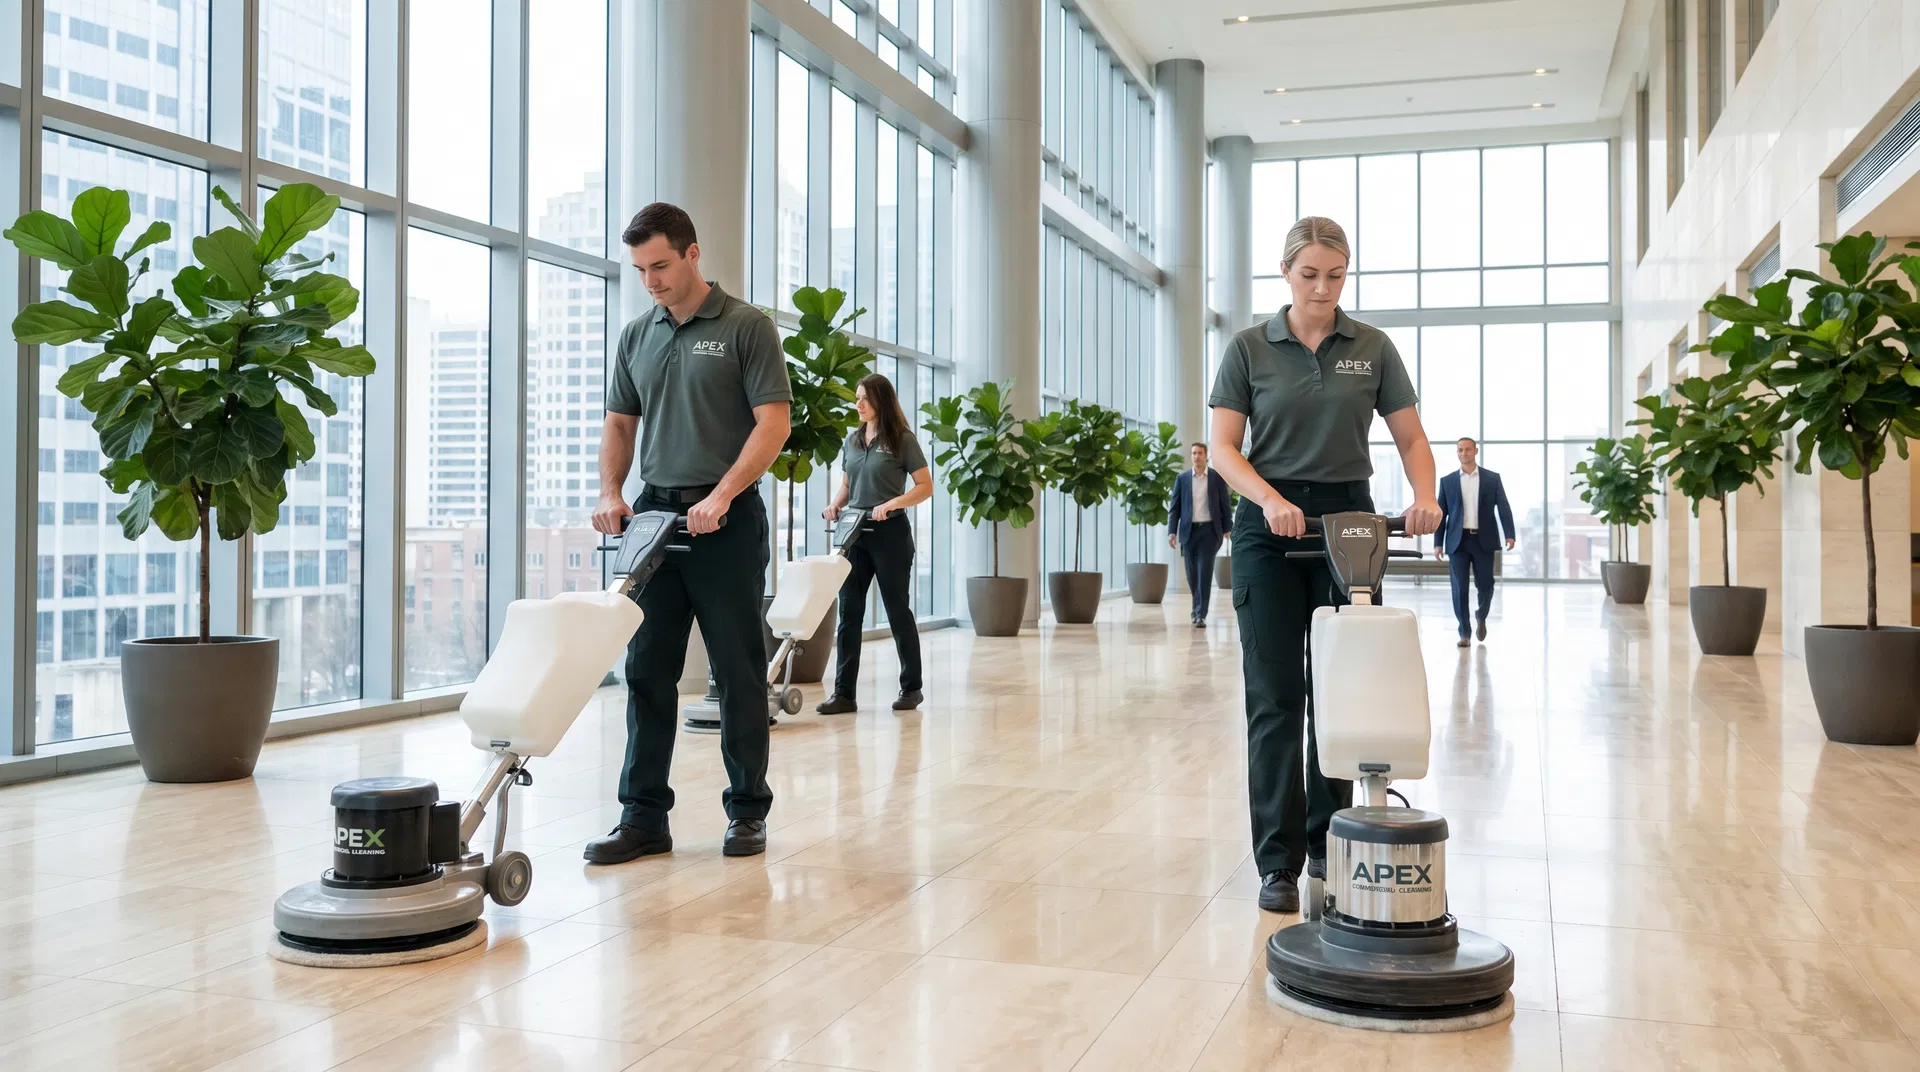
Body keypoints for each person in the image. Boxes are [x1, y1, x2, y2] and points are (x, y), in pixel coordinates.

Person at [1208, 216, 1442, 914]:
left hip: (1350, 524)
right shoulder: (1249, 348)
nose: (1322, 289)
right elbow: (1223, 447)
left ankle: (1329, 842)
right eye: (1309, 275)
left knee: (1344, 694)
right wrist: (1270, 499)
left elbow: (1410, 436)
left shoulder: (1371, 348)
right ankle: (1277, 862)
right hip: (1268, 526)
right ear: (1285, 272)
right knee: (1276, 697)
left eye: (1335, 276)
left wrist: (1425, 496)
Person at [586, 202, 791, 864]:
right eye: (642, 269)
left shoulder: (745, 326)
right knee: (646, 668)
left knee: (738, 668)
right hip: (654, 518)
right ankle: (643, 816)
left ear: (693, 254)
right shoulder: (637, 335)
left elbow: (772, 424)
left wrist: (724, 494)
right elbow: (621, 423)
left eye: (662, 266)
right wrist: (612, 493)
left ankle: (747, 812)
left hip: (725, 519)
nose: (652, 281)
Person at [816, 374, 934, 714]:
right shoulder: (852, 441)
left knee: (897, 611)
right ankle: (844, 695)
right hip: (854, 534)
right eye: (856, 398)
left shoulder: (902, 439)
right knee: (849, 613)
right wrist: (835, 504)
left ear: (882, 400)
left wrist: (894, 503)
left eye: (865, 398)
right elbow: (847, 485)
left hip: (890, 535)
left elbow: (925, 486)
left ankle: (911, 688)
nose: (859, 404)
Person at [1435, 437, 1516, 647]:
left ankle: (1481, 615)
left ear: (1475, 451)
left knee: (1486, 585)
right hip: (1457, 542)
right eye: (1460, 450)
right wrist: (1437, 543)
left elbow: (1503, 507)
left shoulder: (1492, 479)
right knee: (1459, 588)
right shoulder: (1447, 481)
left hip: (1484, 540)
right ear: (1457, 453)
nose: (1464, 453)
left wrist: (1510, 534)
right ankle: (1464, 633)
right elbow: (1441, 514)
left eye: (1467, 449)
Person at [1168, 442, 1232, 627]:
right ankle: (1197, 608)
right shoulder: (1183, 479)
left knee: (1204, 572)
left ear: (1206, 456)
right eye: (1194, 453)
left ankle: (1200, 614)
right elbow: (1175, 508)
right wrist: (1172, 531)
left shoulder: (1215, 478)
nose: (1196, 456)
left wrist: (1228, 527)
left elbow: (1224, 504)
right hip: (1188, 531)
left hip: (1209, 531)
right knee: (1191, 575)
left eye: (1200, 453)